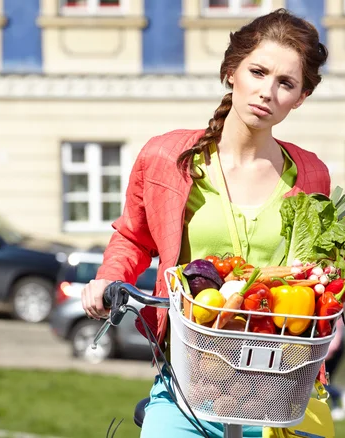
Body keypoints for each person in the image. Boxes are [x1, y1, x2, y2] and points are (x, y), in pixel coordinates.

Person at [82, 8, 330, 438]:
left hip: (281, 389)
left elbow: (318, 273)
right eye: (258, 71)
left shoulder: (311, 174)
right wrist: (107, 280)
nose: (267, 91)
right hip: (190, 383)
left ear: (301, 97)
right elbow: (132, 237)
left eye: (285, 83)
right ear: (231, 71)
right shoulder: (166, 159)